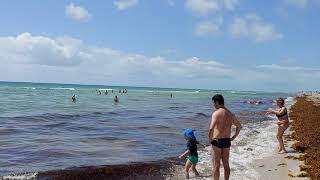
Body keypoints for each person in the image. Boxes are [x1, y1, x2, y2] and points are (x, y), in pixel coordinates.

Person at [208, 94, 241, 180]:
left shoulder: (216, 113)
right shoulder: (230, 114)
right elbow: (239, 126)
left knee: (216, 165)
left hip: (217, 141)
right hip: (227, 141)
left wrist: (210, 139)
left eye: (213, 103)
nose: (213, 105)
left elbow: (211, 128)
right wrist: (233, 137)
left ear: (216, 102)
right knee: (226, 164)